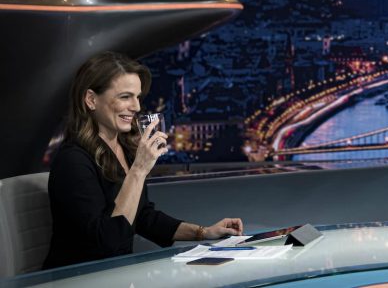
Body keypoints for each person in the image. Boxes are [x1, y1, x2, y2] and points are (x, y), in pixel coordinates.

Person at [43, 51, 244, 269]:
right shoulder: (72, 161)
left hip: (116, 273)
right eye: (125, 97)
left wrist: (204, 232)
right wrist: (138, 170)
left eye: (137, 97)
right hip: (78, 278)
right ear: (91, 99)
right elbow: (106, 243)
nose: (137, 107)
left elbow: (143, 217)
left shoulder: (125, 149)